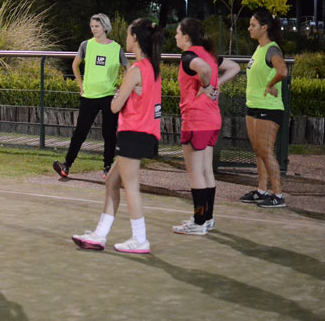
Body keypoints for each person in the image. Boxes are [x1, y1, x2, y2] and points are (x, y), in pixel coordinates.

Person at [72, 18, 162, 254]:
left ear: (136, 39)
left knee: (130, 186)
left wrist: (115, 98)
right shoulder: (153, 68)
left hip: (133, 133)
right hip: (144, 133)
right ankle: (99, 235)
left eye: (129, 35)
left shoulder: (136, 69)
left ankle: (140, 239)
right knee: (112, 182)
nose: (126, 39)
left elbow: (115, 106)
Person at [171, 18, 239, 235]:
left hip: (197, 120)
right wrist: (215, 86)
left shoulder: (190, 56)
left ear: (187, 37)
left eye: (178, 33)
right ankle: (207, 218)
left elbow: (203, 70)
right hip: (212, 119)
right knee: (206, 171)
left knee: (195, 173)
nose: (175, 36)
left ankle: (199, 221)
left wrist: (208, 85)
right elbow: (234, 67)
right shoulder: (209, 55)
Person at [53, 13, 128, 179]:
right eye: (92, 26)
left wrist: (121, 90)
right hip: (88, 97)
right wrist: (80, 85)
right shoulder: (86, 45)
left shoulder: (116, 48)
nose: (93, 29)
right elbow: (75, 65)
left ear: (105, 27)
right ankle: (67, 165)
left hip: (109, 97)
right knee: (80, 132)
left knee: (108, 133)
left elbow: (129, 69)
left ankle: (108, 167)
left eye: (97, 26)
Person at [239, 8, 289, 208]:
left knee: (266, 151)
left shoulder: (272, 49)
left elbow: (283, 71)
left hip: (268, 108)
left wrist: (270, 85)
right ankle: (261, 190)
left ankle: (278, 195)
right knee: (258, 150)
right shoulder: (260, 48)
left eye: (253, 25)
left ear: (264, 28)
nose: (249, 28)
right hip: (253, 105)